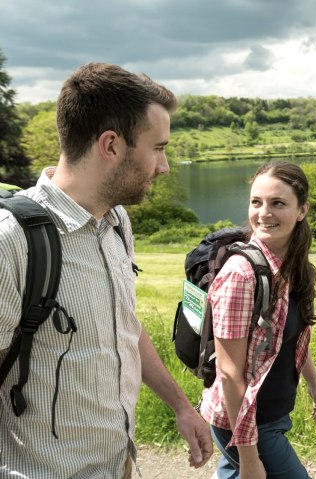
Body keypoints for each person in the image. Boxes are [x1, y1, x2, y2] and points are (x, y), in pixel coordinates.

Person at [0, 63, 212, 478]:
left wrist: (182, 406)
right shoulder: (12, 242)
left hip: (119, 463)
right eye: (158, 148)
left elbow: (123, 325)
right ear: (111, 145)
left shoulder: (116, 222)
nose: (164, 166)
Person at [200, 161, 316, 479]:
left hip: (271, 415)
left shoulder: (292, 268)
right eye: (256, 202)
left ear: (302, 210)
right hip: (245, 425)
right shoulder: (241, 274)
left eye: (278, 203)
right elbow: (229, 373)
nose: (264, 213)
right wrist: (248, 457)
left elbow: (292, 338)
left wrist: (314, 387)